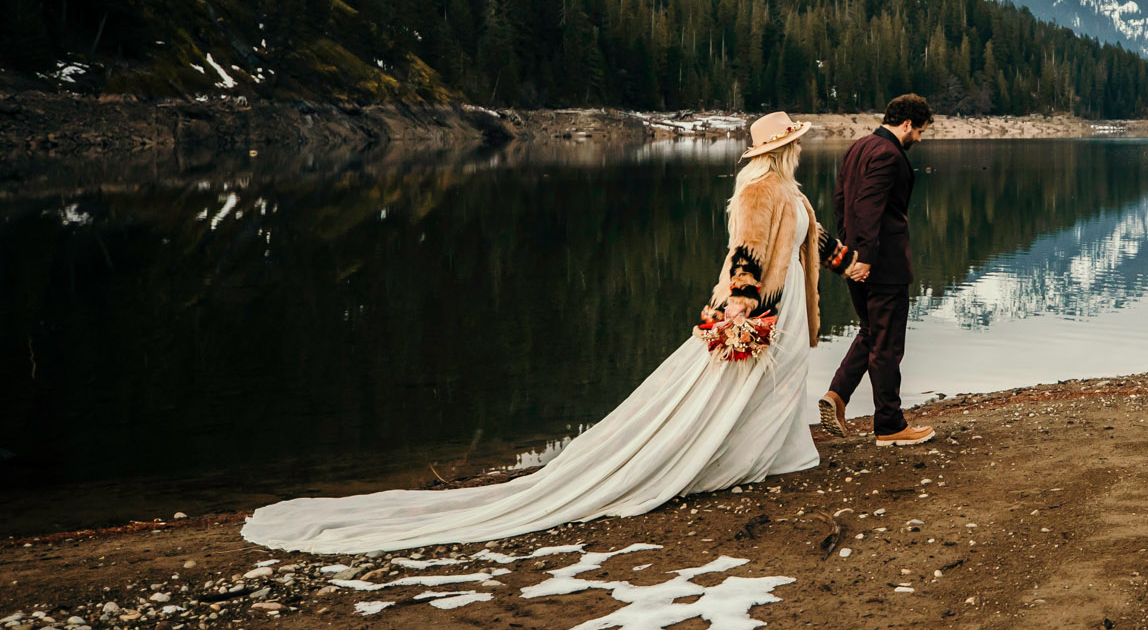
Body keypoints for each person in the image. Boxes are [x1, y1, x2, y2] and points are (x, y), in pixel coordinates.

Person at [241, 112, 826, 553]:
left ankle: (776, 450)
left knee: (781, 382)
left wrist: (845, 263)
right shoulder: (759, 190)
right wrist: (741, 309)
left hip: (790, 307)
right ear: (784, 148)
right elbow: (744, 255)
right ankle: (739, 456)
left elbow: (806, 244)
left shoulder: (791, 191)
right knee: (752, 384)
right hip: (764, 309)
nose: (799, 147)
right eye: (794, 142)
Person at [821, 94, 935, 447]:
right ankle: (889, 425)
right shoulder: (887, 154)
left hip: (857, 261)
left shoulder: (858, 147)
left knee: (870, 332)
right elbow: (868, 208)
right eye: (919, 131)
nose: (919, 138)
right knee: (887, 346)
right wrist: (866, 258)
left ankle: (837, 395)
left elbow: (842, 203)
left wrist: (850, 254)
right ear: (906, 124)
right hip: (882, 266)